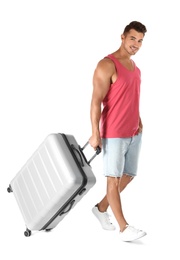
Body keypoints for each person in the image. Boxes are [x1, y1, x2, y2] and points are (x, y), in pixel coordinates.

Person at [89, 21, 147, 242]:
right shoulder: (107, 65)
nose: (136, 44)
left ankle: (101, 209)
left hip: (134, 132)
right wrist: (95, 133)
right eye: (133, 38)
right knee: (112, 179)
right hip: (113, 133)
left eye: (140, 41)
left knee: (129, 175)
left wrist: (139, 120)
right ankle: (124, 228)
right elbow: (95, 102)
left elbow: (130, 97)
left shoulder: (136, 68)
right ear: (122, 37)